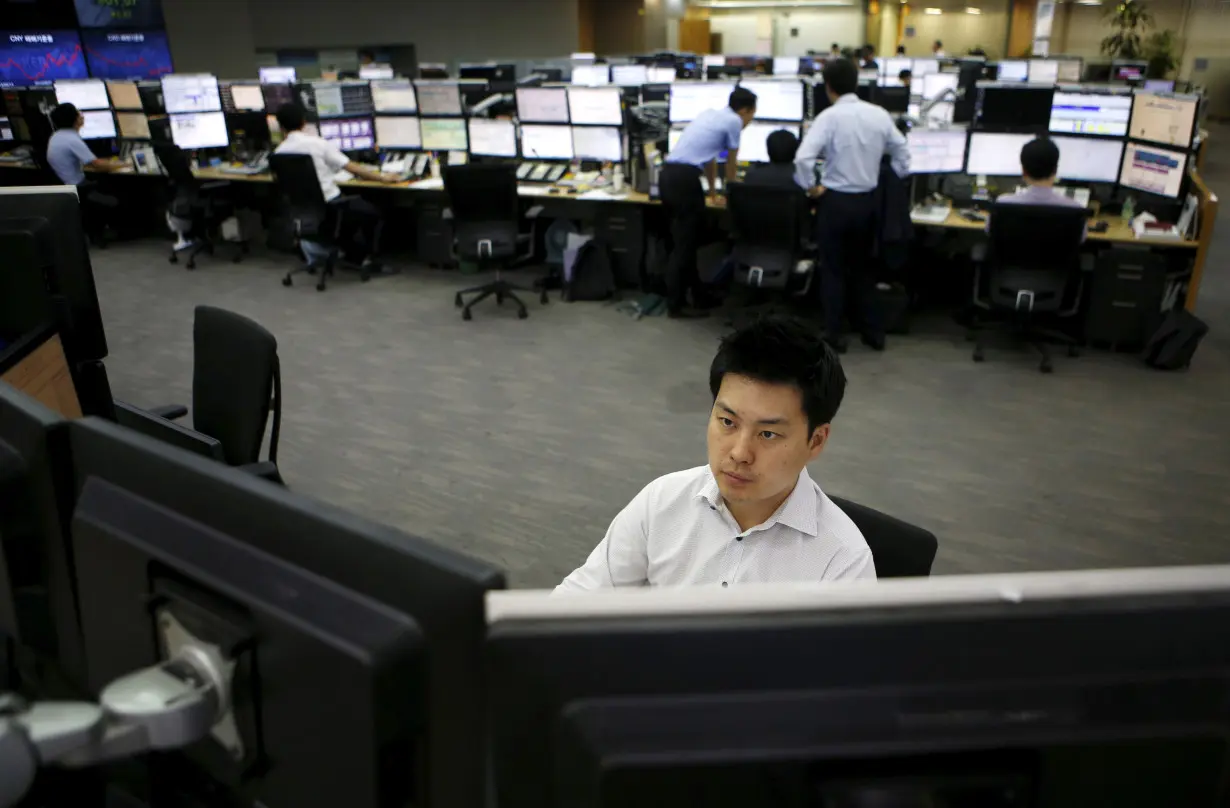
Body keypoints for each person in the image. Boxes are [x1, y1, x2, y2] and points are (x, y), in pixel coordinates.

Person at [556, 316, 874, 591]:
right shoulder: (662, 502)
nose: (739, 453)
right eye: (727, 422)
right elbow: (576, 603)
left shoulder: (842, 562)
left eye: (767, 434)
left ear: (816, 441)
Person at [794, 58, 909, 353]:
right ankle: (873, 332)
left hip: (835, 203)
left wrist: (812, 187)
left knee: (832, 269)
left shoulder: (829, 117)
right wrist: (891, 179)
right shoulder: (880, 115)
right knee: (864, 269)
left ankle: (834, 334)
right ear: (856, 83)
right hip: (868, 202)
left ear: (828, 87)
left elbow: (803, 159)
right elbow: (903, 153)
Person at [660, 87, 757, 319]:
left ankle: (698, 296)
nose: (750, 122)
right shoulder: (734, 122)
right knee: (684, 247)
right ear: (744, 111)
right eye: (752, 116)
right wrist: (734, 194)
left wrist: (712, 192)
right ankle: (675, 305)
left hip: (669, 176)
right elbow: (731, 164)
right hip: (685, 181)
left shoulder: (711, 115)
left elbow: (709, 159)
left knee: (687, 241)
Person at [273, 103, 401, 271]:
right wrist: (383, 178)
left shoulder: (278, 153)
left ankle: (347, 252)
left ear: (281, 126)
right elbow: (352, 168)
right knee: (374, 211)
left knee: (349, 215)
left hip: (304, 211)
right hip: (331, 205)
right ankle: (366, 259)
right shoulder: (317, 143)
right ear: (304, 122)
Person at [46, 102, 125, 241]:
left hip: (69, 186)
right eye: (78, 113)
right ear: (74, 119)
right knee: (124, 190)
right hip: (80, 187)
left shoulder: (57, 136)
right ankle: (122, 230)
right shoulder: (71, 139)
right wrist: (123, 164)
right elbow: (97, 165)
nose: (81, 115)